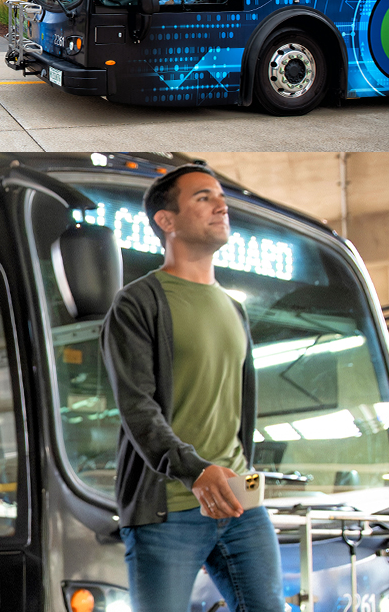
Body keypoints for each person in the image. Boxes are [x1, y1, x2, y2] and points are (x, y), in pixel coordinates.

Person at [100, 165, 285, 612]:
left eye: (220, 197)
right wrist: (195, 471)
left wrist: (237, 477)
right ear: (167, 221)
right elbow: (137, 407)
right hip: (169, 506)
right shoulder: (137, 303)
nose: (221, 205)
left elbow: (239, 413)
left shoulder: (234, 309)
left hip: (240, 501)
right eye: (203, 197)